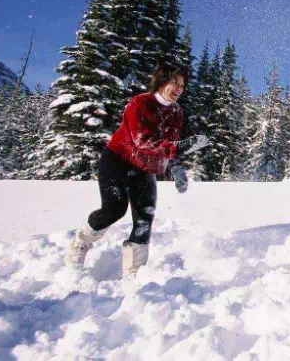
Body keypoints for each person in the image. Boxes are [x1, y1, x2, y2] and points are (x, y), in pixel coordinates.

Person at [65, 62, 209, 277]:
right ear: (161, 81)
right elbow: (142, 141)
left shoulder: (177, 113)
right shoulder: (140, 103)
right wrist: (181, 146)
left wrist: (176, 167)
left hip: (145, 169)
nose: (178, 88)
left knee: (144, 219)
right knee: (114, 209)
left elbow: (170, 145)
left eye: (182, 84)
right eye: (174, 82)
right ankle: (80, 243)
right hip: (118, 162)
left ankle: (134, 274)